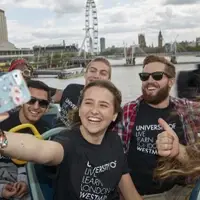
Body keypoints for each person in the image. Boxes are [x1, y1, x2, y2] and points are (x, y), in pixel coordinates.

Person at [0, 80, 142, 200]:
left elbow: (130, 192)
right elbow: (39, 149)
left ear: (114, 115)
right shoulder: (67, 142)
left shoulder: (114, 141)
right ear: (80, 110)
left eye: (103, 105)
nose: (94, 110)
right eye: (88, 103)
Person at [114, 55, 200, 200]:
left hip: (182, 192)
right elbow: (115, 159)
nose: (150, 81)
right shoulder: (129, 111)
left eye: (157, 76)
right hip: (142, 195)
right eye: (145, 76)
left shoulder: (185, 109)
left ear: (171, 81)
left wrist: (177, 149)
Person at [0, 80, 51, 200]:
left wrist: (27, 184)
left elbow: (45, 171)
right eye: (31, 100)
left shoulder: (48, 131)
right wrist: (2, 189)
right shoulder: (2, 123)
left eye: (42, 103)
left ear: (47, 107)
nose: (36, 107)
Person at [58, 56, 112, 128]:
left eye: (103, 73)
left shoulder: (107, 104)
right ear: (85, 74)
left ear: (108, 80)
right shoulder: (71, 89)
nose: (96, 76)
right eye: (93, 71)